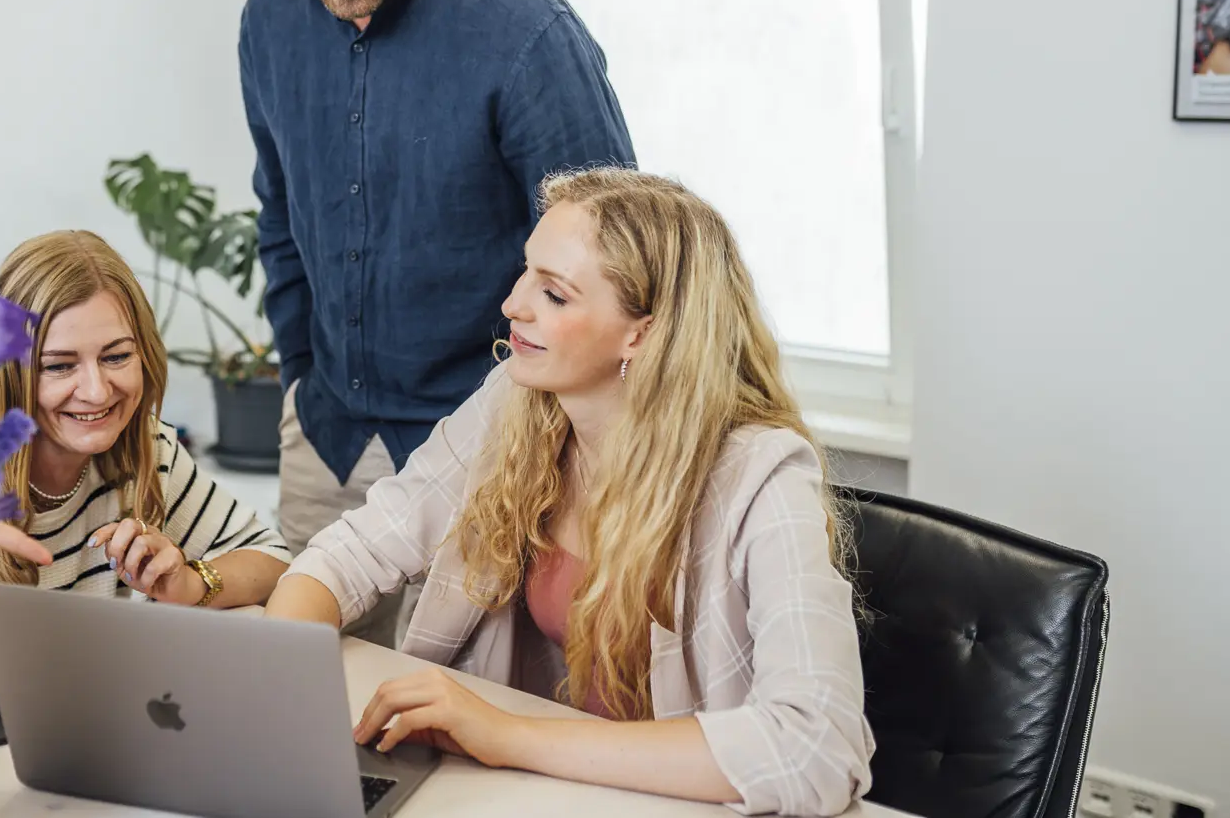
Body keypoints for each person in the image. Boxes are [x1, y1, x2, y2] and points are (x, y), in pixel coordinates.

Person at [265, 168, 875, 816]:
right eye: (527, 271)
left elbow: (818, 744)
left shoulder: (762, 474)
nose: (513, 304)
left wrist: (508, 734)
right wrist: (277, 680)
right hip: (529, 793)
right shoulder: (518, 398)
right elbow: (355, 549)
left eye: (554, 294)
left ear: (641, 332)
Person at [239, 0, 635, 638]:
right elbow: (281, 214)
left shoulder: (528, 35)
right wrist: (301, 373)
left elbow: (618, 272)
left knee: (443, 724)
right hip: (326, 432)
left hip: (489, 448)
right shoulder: (267, 19)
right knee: (298, 702)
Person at [0, 230, 289, 652]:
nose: (96, 391)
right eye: (58, 366)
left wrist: (189, 583)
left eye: (116, 357)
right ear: (9, 373)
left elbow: (274, 560)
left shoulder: (150, 449)